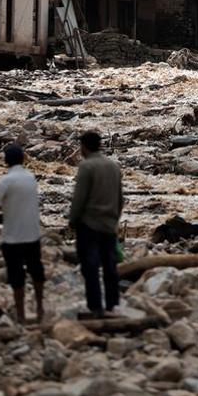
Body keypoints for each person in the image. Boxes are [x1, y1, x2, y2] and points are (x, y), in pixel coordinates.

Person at [0, 145, 45, 324]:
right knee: (36, 271)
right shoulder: (30, 178)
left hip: (12, 236)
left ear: (6, 161)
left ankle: (21, 314)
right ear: (23, 159)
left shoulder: (5, 181)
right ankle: (40, 307)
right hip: (32, 233)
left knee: (16, 276)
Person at [69, 131, 123, 317]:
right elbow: (120, 198)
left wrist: (73, 220)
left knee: (90, 266)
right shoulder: (113, 166)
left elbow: (79, 198)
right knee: (110, 266)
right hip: (109, 224)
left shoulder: (86, 166)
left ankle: (95, 306)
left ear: (84, 147)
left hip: (89, 224)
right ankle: (112, 304)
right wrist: (115, 219)